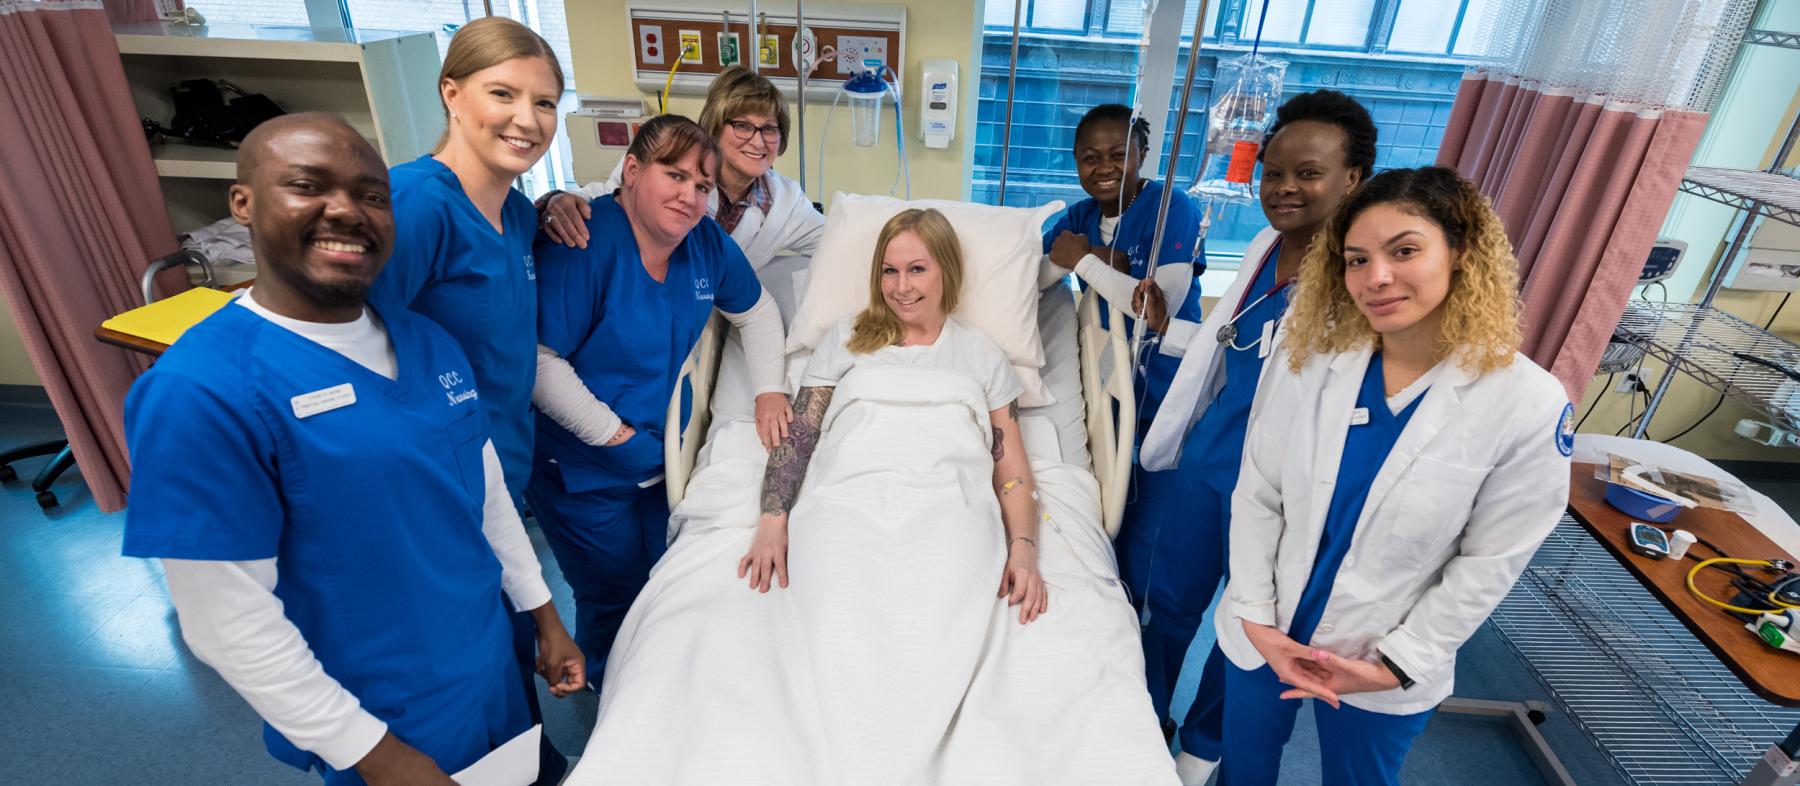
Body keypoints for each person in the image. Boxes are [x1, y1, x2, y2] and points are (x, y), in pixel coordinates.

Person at [121, 113, 585, 786]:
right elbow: (227, 619)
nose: (347, 211)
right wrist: (378, 756)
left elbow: (483, 496)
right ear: (243, 203)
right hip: (381, 714)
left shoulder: (427, 343)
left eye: (372, 195)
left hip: (487, 668)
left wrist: (544, 616)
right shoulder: (203, 390)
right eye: (309, 186)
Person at [1216, 166, 1574, 785]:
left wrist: (1397, 664)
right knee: (1244, 767)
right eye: (1357, 260)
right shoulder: (1313, 358)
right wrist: (1254, 615)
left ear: (1460, 252)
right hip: (1265, 621)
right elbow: (1259, 493)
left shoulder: (1527, 402)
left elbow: (1491, 559)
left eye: (1404, 250)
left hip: (1382, 654)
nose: (1375, 277)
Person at [1129, 89, 1378, 785]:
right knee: (1169, 606)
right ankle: (1143, 719)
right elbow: (1228, 346)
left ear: (1353, 179)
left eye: (1309, 173)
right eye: (1273, 172)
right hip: (1212, 464)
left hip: (1287, 491)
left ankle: (1203, 743)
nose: (1285, 188)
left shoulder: (1358, 279)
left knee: (1247, 628)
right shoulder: (1267, 246)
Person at [364, 18, 572, 779]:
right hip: (430, 490)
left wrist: (559, 205)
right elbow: (360, 353)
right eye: (504, 94)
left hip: (498, 477)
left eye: (545, 103)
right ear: (452, 93)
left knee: (507, 670)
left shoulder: (517, 213)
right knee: (454, 691)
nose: (528, 119)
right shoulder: (413, 207)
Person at [528, 114, 789, 685]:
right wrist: (614, 437)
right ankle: (613, 703)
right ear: (631, 170)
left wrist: (770, 389)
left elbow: (760, 312)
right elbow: (541, 363)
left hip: (657, 459)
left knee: (667, 581)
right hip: (584, 469)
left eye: (702, 186)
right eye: (674, 176)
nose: (689, 196)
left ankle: (667, 691)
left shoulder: (706, 243)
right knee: (612, 596)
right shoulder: (584, 242)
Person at [742, 207, 1049, 623]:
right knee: (836, 603)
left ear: (947, 271)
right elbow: (801, 437)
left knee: (945, 600)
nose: (901, 287)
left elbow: (1012, 471)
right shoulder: (846, 338)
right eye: (889, 271)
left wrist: (1024, 551)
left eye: (917, 269)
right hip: (847, 499)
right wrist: (772, 521)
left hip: (948, 507)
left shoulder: (983, 355)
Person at [538, 64, 824, 271]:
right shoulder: (664, 161)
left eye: (770, 129)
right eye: (743, 126)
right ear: (715, 125)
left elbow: (837, 239)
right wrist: (560, 201)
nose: (758, 141)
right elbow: (602, 196)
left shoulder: (785, 204)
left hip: (719, 315)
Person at [1040, 103, 1204, 427]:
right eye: (1090, 158)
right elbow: (1031, 275)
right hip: (1108, 366)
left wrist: (1083, 261)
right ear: (1076, 162)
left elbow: (1155, 310)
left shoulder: (1171, 206)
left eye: (1118, 155)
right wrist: (1078, 260)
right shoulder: (1080, 218)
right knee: (1108, 458)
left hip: (1164, 377)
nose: (1104, 168)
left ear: (1142, 154)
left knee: (1158, 469)